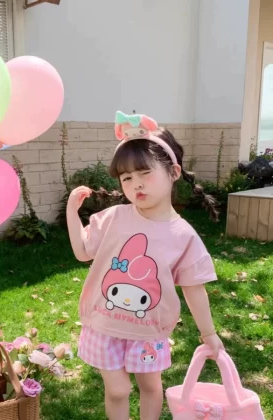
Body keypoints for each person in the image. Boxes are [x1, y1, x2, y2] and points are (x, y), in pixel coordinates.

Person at [66, 112, 224, 420]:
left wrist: (209, 333)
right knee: (118, 390)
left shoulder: (183, 236)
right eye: (126, 178)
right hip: (104, 325)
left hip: (149, 332)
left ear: (173, 172)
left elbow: (194, 288)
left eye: (144, 173)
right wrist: (73, 212)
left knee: (151, 386)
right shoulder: (114, 217)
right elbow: (83, 252)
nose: (135, 184)